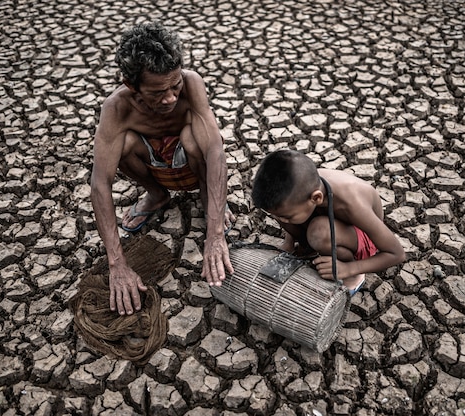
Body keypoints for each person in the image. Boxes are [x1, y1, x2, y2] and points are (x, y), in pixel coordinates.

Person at [90, 21, 235, 315]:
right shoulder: (116, 108)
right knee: (125, 144)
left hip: (192, 167)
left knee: (196, 139)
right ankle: (157, 195)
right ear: (132, 86)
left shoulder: (192, 83)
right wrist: (117, 264)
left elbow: (215, 151)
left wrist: (216, 233)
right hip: (154, 166)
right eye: (157, 92)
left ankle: (209, 201)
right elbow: (100, 183)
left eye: (175, 86)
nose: (170, 98)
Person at [251, 149, 405, 295]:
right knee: (289, 216)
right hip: (329, 223)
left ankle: (354, 277)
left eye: (287, 217)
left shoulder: (351, 203)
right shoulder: (301, 189)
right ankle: (308, 248)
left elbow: (396, 254)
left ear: (316, 198)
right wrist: (289, 242)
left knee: (319, 232)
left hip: (361, 236)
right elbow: (286, 212)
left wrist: (349, 268)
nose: (281, 220)